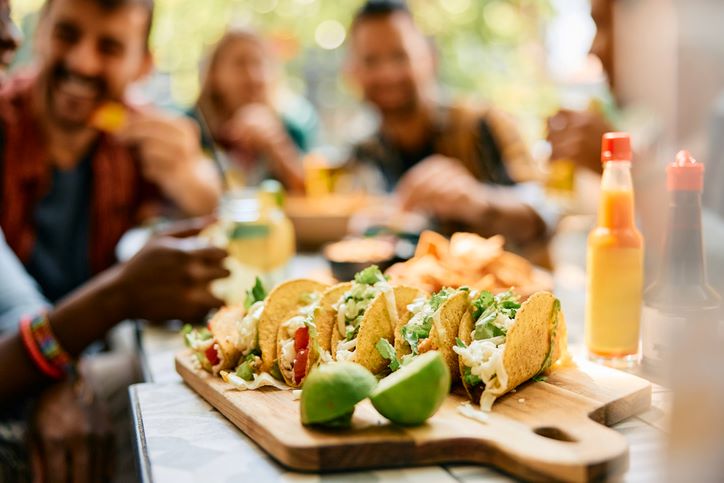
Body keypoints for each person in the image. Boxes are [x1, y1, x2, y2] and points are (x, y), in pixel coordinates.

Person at [0, 0, 223, 303]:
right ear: (40, 31)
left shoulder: (142, 141)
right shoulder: (5, 117)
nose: (82, 63)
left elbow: (212, 204)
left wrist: (194, 183)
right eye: (66, 34)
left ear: (144, 65)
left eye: (109, 48)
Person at [346, 0, 555, 249]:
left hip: (505, 285)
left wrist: (477, 202)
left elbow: (546, 214)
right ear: (354, 72)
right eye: (371, 61)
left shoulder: (484, 124)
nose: (387, 74)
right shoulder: (365, 152)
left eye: (399, 56)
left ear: (430, 58)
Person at [189, 29, 315, 193]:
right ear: (214, 74)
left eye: (259, 64)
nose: (252, 76)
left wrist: (276, 147)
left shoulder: (291, 129)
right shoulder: (192, 127)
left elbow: (313, 195)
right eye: (240, 64)